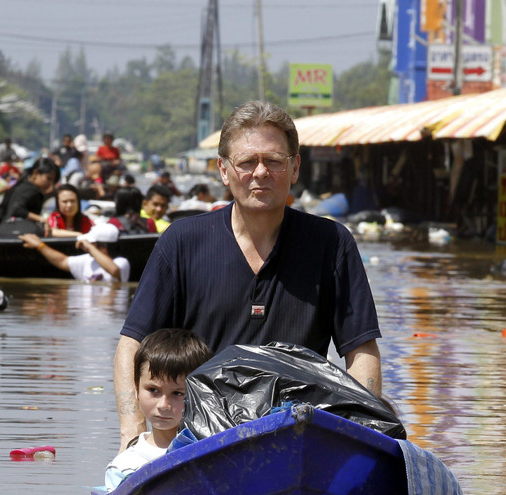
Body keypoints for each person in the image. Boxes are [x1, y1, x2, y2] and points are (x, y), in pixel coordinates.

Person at [113, 100, 383, 452]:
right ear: (224, 171)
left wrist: (361, 435)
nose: (260, 172)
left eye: (274, 161)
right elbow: (131, 345)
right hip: (198, 442)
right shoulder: (182, 242)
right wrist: (132, 435)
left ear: (295, 167)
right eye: (246, 162)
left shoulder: (332, 244)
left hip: (296, 439)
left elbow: (361, 350)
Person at [104, 328, 212, 490]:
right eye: (153, 390)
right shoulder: (123, 467)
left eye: (177, 393)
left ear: (199, 393)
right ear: (136, 389)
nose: (163, 405)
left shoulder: (212, 452)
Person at [19, 223, 130, 282]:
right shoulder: (88, 260)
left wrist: (90, 247)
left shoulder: (121, 262)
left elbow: (114, 270)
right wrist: (40, 245)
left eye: (92, 243)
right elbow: (62, 261)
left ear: (103, 246)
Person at [0, 157, 61, 230]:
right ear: (36, 173)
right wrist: (42, 219)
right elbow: (17, 209)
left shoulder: (22, 185)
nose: (50, 183)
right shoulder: (30, 189)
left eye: (53, 181)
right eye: (48, 178)